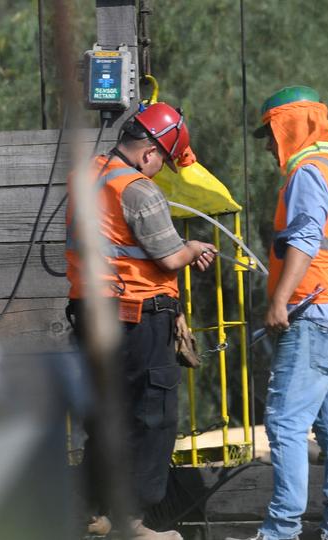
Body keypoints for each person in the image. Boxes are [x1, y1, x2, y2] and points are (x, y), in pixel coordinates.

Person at [65, 102, 217, 540]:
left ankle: (90, 511)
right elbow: (169, 255)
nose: (160, 170)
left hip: (89, 315)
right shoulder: (138, 189)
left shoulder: (87, 175)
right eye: (163, 162)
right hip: (137, 318)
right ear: (150, 153)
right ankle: (133, 526)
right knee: (152, 417)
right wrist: (194, 249)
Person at [238, 86, 328, 540]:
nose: (271, 146)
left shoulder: (309, 173)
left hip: (314, 316)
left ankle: (280, 531)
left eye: (272, 134)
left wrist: (280, 300)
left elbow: (307, 237)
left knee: (285, 422)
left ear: (290, 125)